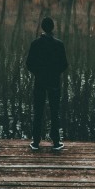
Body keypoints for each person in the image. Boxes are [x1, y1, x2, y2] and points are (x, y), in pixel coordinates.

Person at [25, 16, 68, 150]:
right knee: (54, 112)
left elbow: (29, 64)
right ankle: (56, 142)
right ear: (52, 28)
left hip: (40, 82)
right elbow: (64, 64)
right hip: (54, 82)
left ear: (42, 28)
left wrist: (38, 73)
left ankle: (36, 142)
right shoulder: (59, 44)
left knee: (38, 111)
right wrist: (55, 73)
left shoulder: (35, 44)